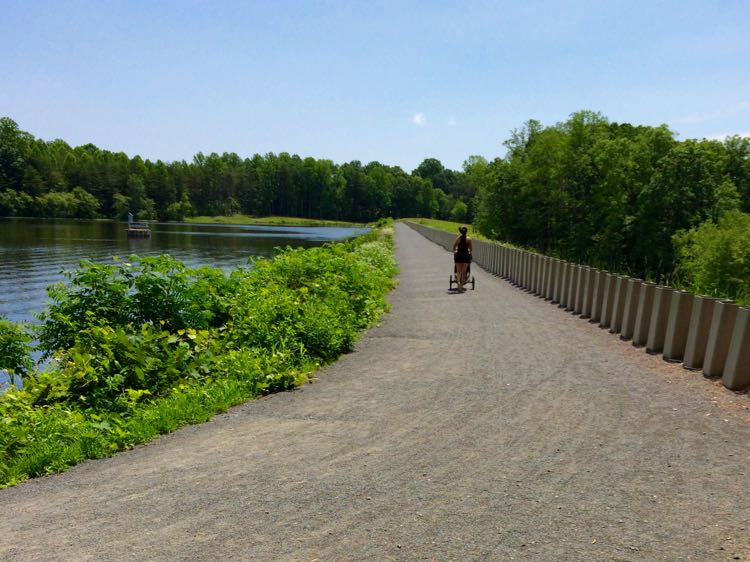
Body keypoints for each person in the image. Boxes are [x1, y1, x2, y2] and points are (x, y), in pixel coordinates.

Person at [452, 225, 473, 291]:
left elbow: (454, 247)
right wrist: (469, 252)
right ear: (466, 231)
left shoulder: (458, 239)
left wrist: (456, 251)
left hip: (458, 256)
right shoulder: (469, 239)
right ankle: (461, 285)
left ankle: (458, 282)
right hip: (465, 256)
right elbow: (471, 249)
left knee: (458, 271)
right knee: (464, 272)